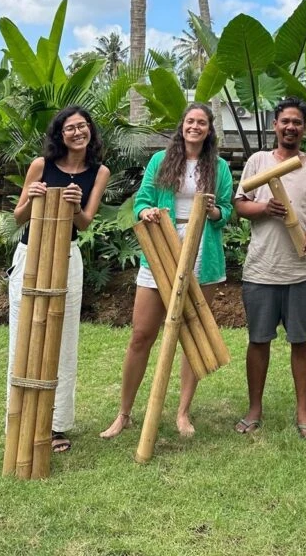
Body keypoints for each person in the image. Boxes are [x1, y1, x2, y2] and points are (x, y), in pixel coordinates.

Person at [100, 103, 233, 440]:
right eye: (190, 121)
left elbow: (228, 210)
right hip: (161, 249)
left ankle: (183, 412)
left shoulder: (218, 166)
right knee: (141, 335)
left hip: (203, 252)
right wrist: (145, 212)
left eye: (201, 122)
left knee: (192, 335)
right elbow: (142, 200)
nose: (195, 126)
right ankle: (124, 413)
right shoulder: (161, 160)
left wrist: (214, 212)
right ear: (182, 125)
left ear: (209, 130)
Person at [9, 106, 111, 453]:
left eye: (83, 126)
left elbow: (84, 222)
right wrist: (33, 199)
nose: (78, 132)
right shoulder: (41, 165)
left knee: (63, 339)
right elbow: (18, 216)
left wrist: (76, 206)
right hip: (30, 256)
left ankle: (56, 426)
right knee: (23, 337)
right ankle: (18, 418)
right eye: (70, 128)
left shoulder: (99, 172)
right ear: (60, 134)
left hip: (67, 258)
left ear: (90, 131)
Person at [234, 97, 306, 439]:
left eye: (297, 122)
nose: (291, 127)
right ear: (275, 124)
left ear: (305, 128)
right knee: (258, 340)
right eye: (285, 121)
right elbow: (239, 205)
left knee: (301, 340)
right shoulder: (258, 162)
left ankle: (303, 411)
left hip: (303, 271)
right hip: (262, 269)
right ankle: (254, 409)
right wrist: (264, 208)